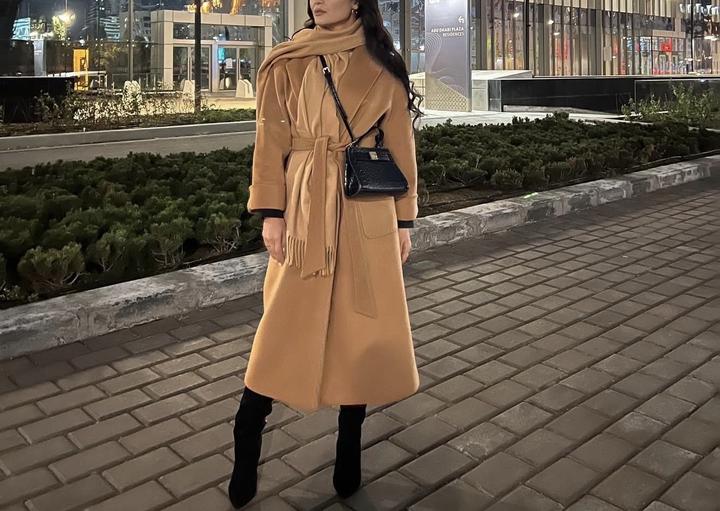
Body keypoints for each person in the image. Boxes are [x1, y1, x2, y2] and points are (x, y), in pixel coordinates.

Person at [228, 0, 424, 507]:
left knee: (358, 336)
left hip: (365, 212)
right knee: (281, 329)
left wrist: (403, 220)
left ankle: (349, 449)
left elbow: (400, 145)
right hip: (303, 210)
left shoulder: (382, 62)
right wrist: (271, 212)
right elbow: (270, 140)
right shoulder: (287, 59)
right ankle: (246, 446)